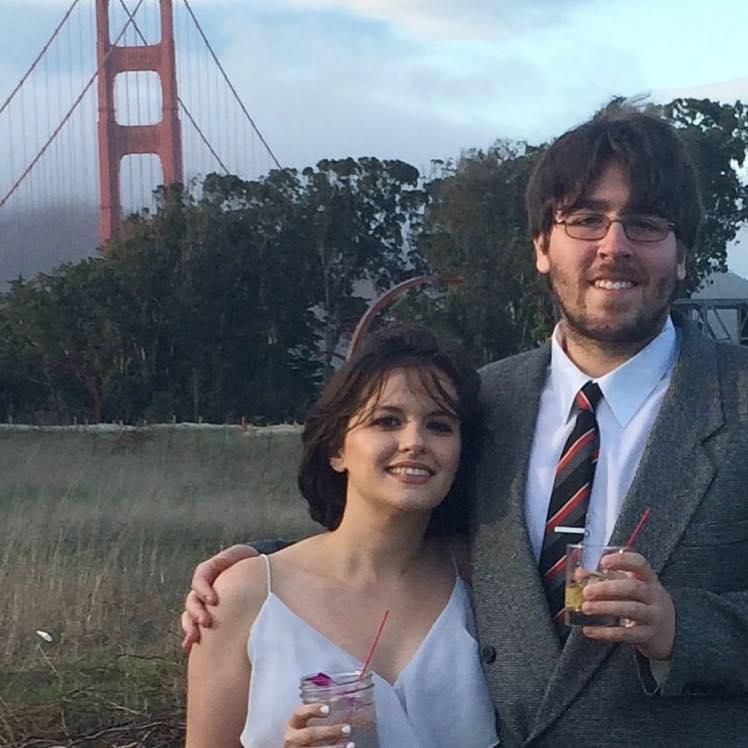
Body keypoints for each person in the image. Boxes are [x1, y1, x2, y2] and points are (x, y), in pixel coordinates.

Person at [183, 106, 748, 746]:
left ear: (682, 255)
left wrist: (680, 627)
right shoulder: (481, 401)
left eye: (644, 224)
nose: (613, 246)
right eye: (585, 219)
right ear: (542, 247)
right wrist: (260, 567)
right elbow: (405, 531)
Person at [184, 325, 499, 747]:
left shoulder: (481, 579)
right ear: (337, 450)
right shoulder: (243, 597)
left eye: (439, 425)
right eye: (387, 421)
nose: (414, 442)